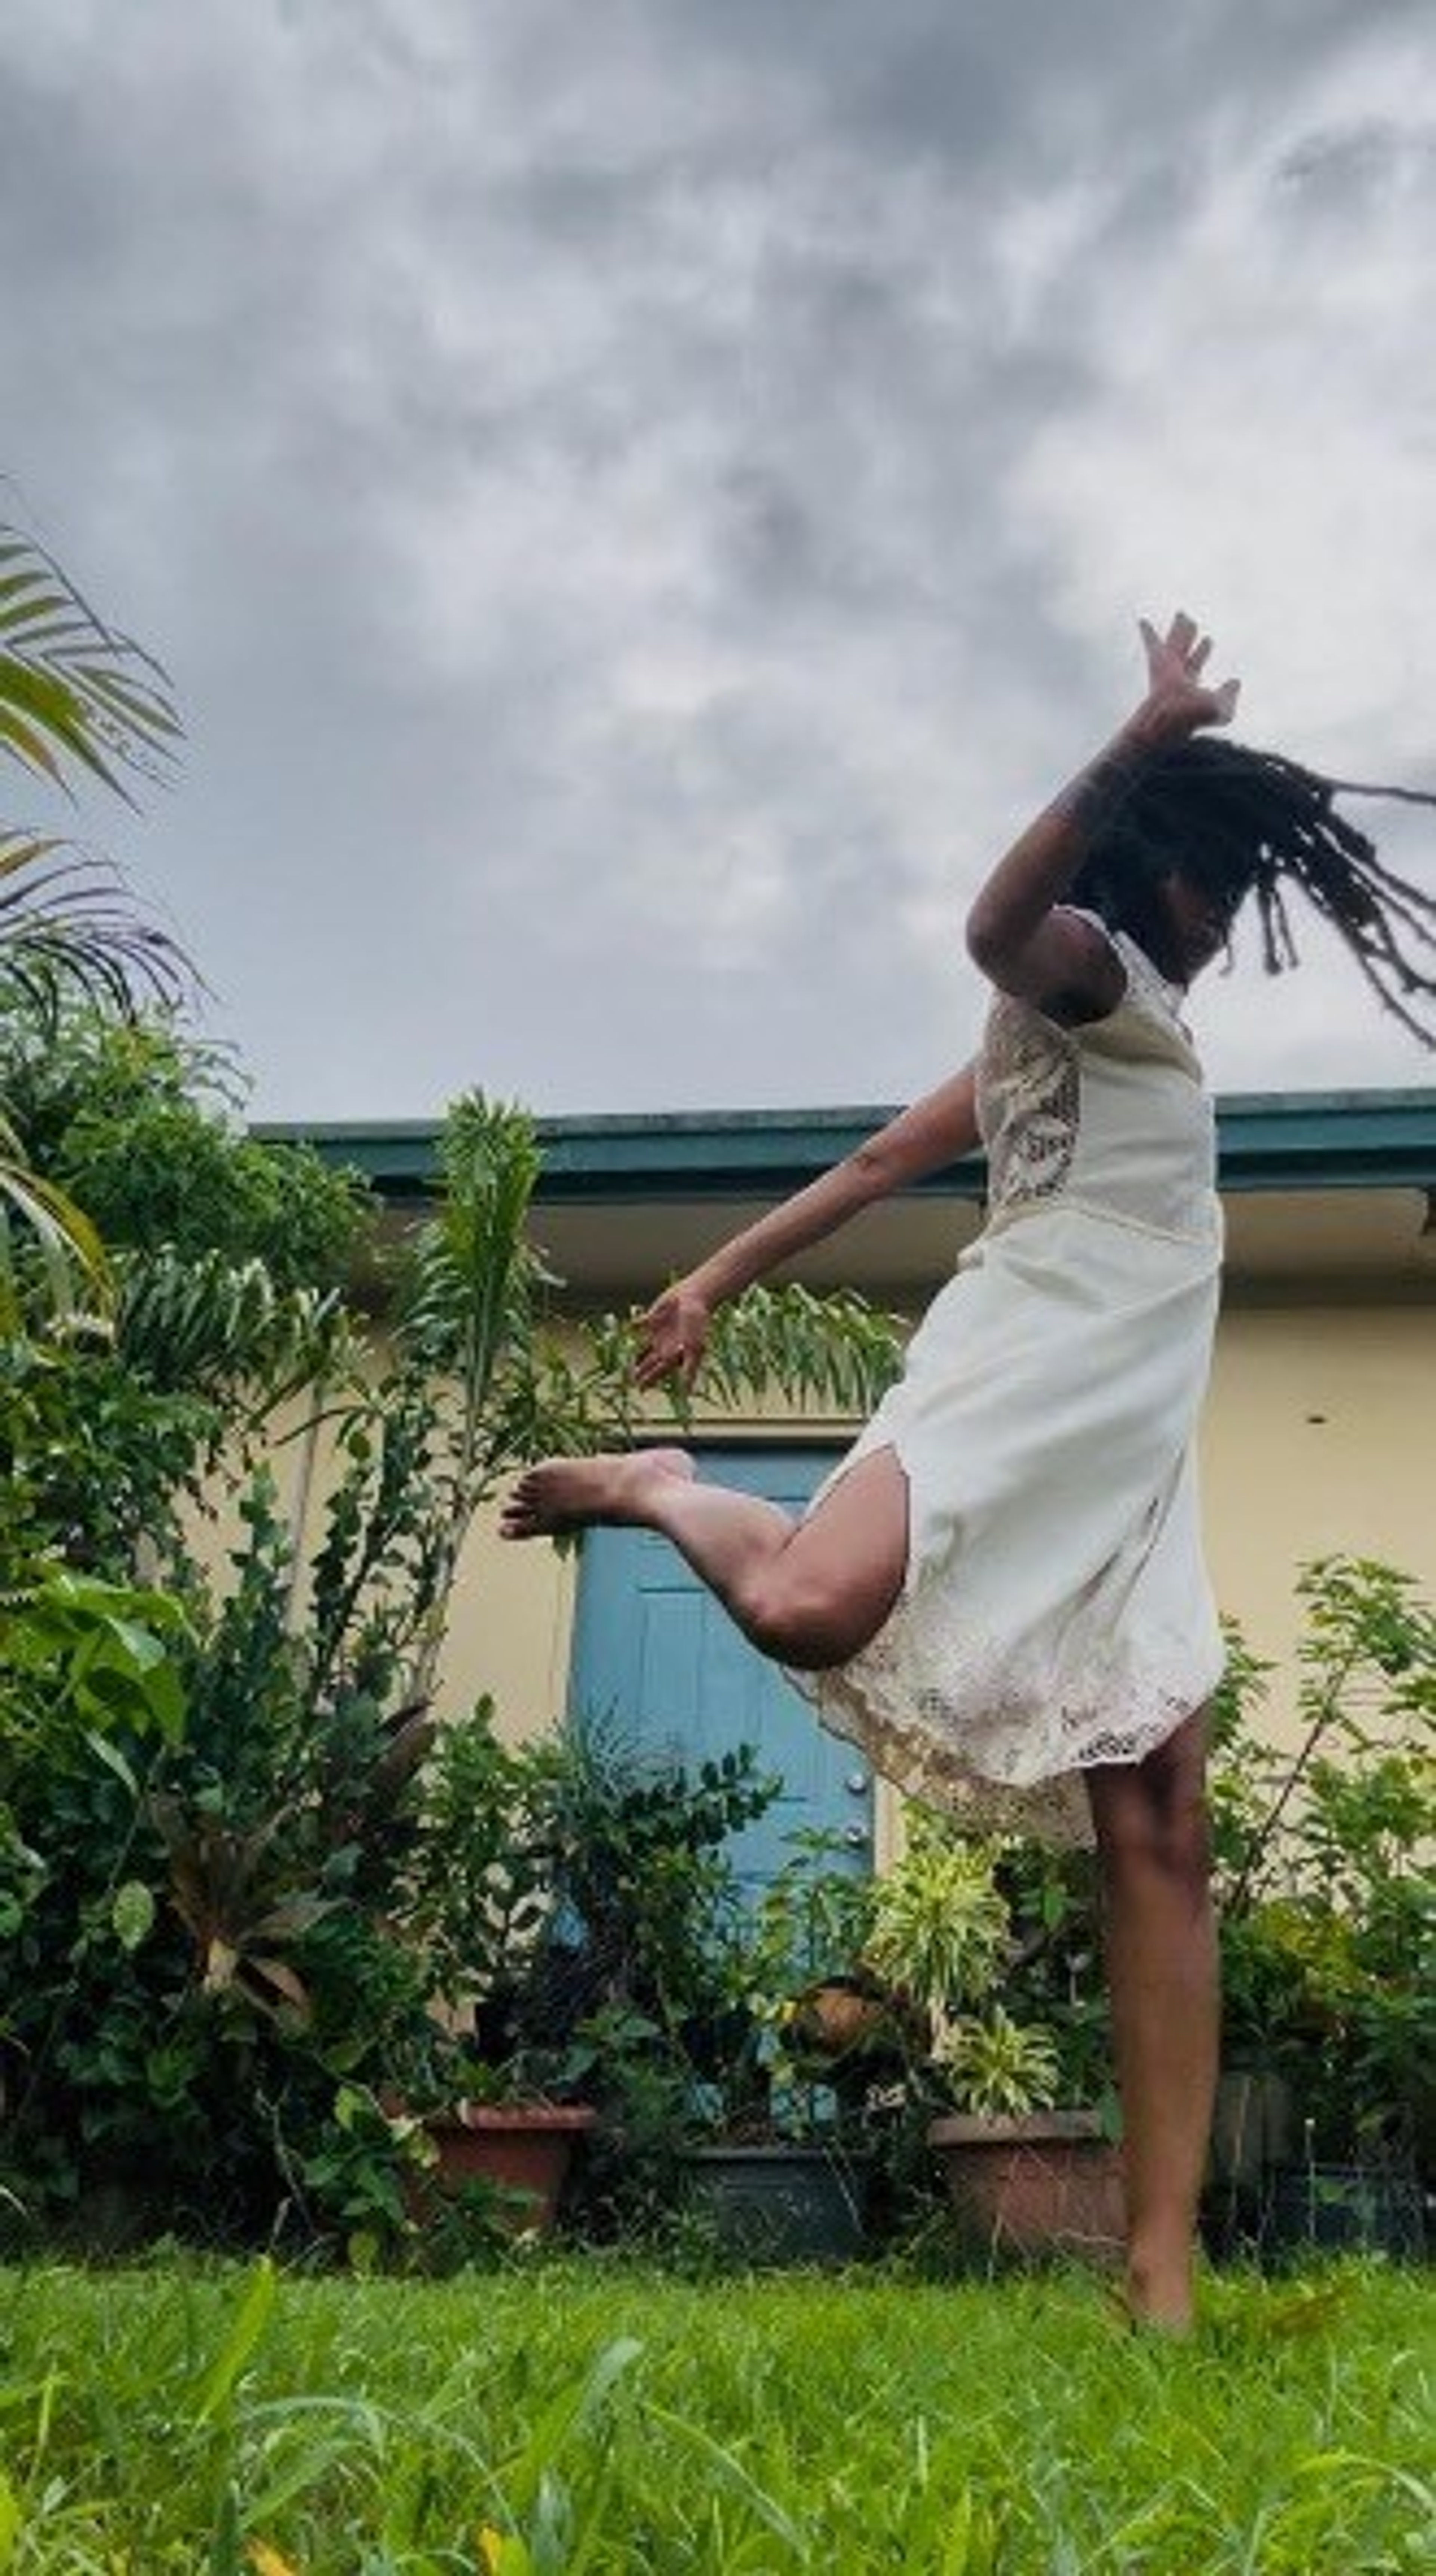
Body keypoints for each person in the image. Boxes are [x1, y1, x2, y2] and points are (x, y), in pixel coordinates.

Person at [501, 612, 1436, 2328]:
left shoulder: (1113, 1030)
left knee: (1162, 1823)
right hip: (1012, 1374)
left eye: (1239, 891)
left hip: (1127, 1455)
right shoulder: (1082, 974)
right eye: (1210, 882)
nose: (1222, 917)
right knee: (807, 1603)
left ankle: (1161, 2274)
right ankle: (661, 1487)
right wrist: (1135, 741)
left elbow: (876, 1159)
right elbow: (993, 928)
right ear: (1146, 863)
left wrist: (712, 1279)